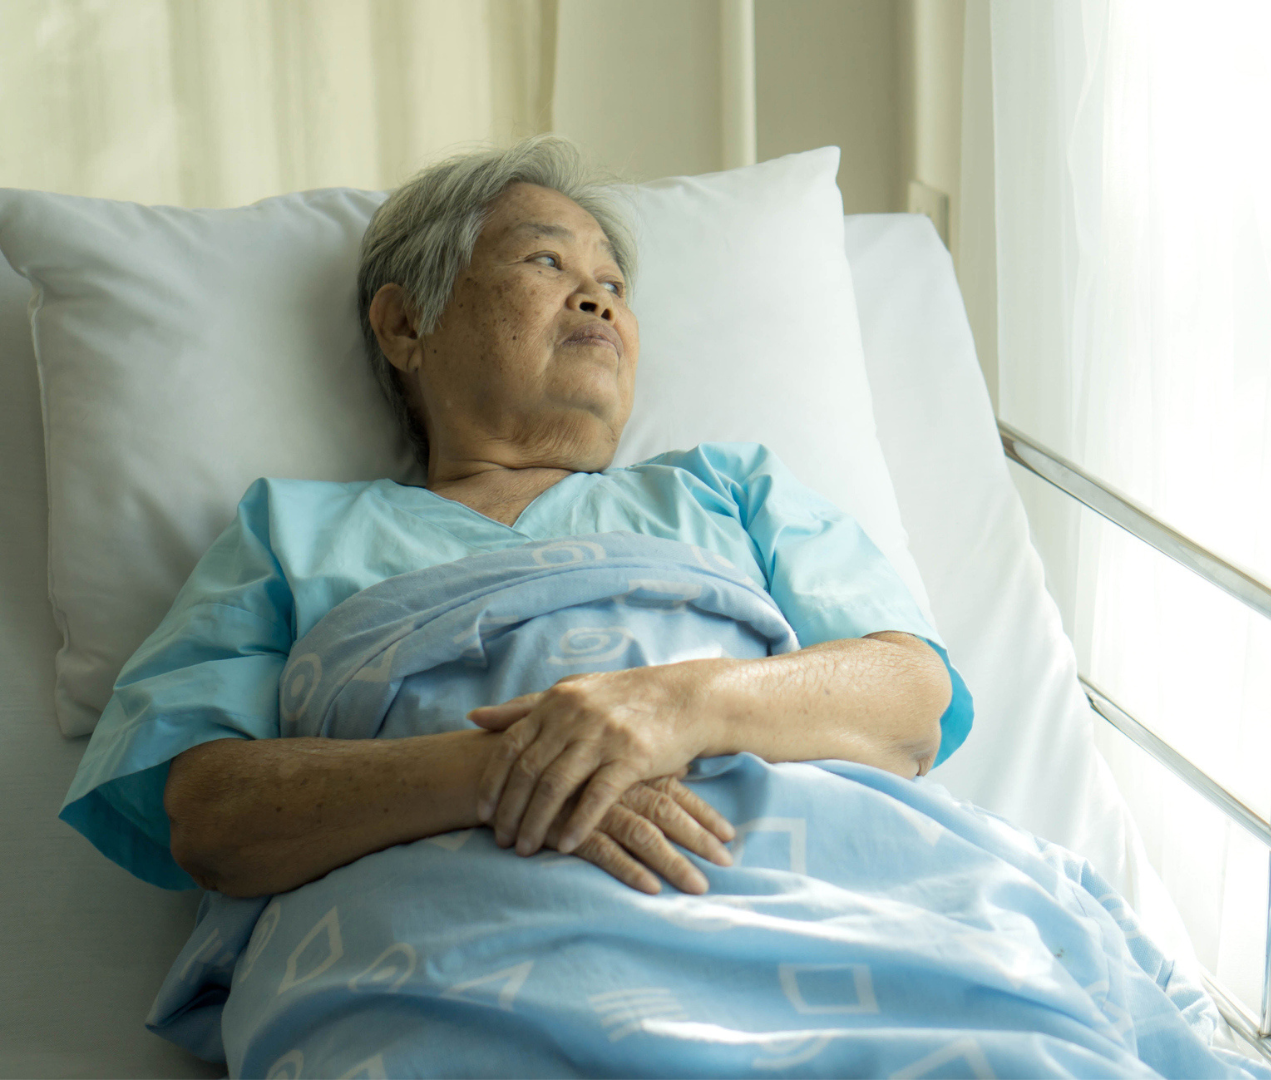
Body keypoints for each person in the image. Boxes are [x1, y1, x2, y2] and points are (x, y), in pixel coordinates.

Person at [59, 135, 968, 902]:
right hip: (451, 952)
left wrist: (672, 706)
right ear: (406, 325)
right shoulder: (290, 535)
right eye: (546, 262)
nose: (598, 298)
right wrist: (504, 772)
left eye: (612, 282)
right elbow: (210, 815)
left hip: (784, 902)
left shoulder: (729, 491)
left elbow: (907, 700)